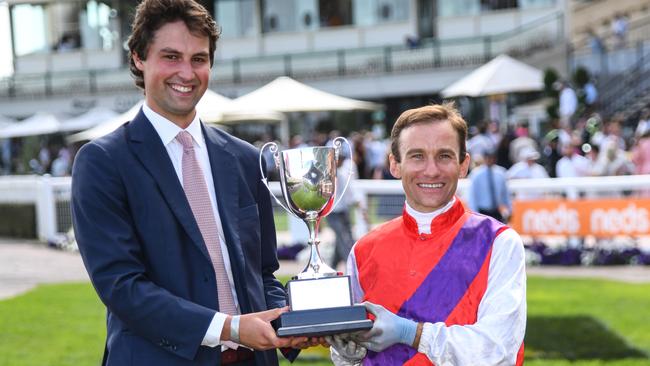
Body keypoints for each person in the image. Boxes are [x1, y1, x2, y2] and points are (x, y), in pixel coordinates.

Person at [71, 1, 312, 365]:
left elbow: (261, 274)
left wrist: (293, 323)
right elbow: (121, 287)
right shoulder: (103, 162)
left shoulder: (246, 158)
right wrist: (228, 328)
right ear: (139, 57)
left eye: (198, 59)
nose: (186, 72)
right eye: (171, 56)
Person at [328, 103, 526, 365]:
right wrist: (347, 353)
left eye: (444, 156)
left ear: (463, 164)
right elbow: (349, 352)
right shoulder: (363, 251)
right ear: (395, 165)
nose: (431, 170)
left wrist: (413, 333)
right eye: (417, 156)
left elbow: (499, 350)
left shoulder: (499, 241)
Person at [468, 149, 511, 223]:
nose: (490, 160)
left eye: (492, 158)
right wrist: (474, 213)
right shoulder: (476, 174)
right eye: (488, 158)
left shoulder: (501, 173)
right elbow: (472, 195)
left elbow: (505, 193)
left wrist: (509, 210)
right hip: (482, 211)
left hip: (497, 211)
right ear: (484, 159)